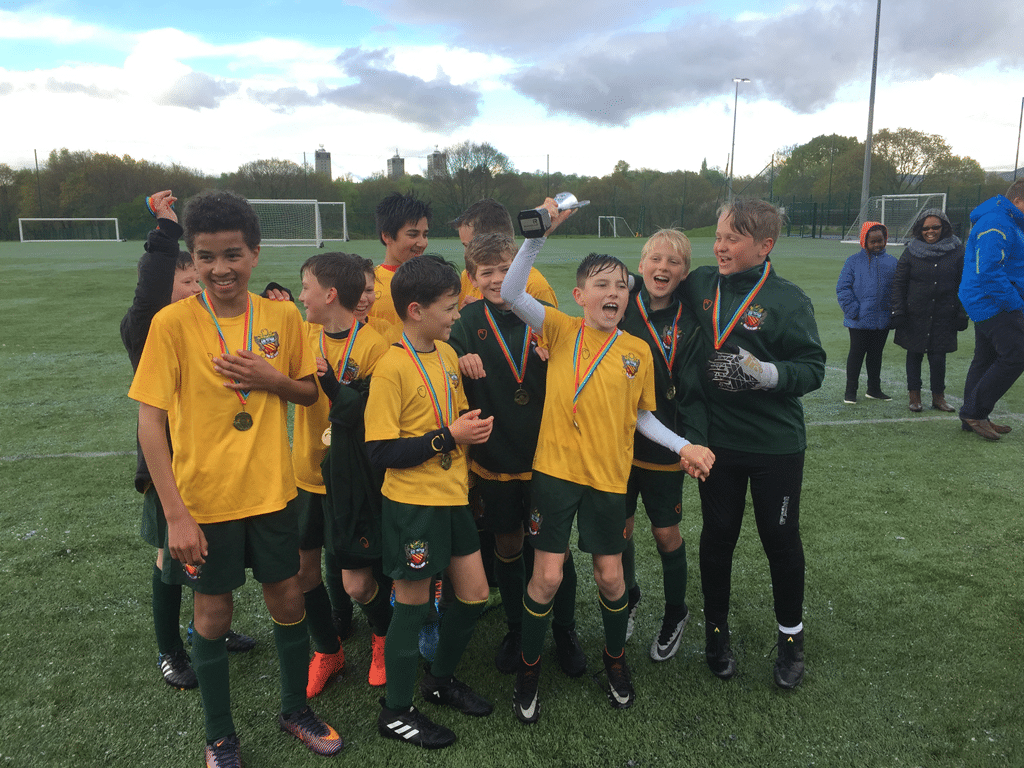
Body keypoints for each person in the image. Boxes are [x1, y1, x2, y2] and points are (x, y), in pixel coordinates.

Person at [128, 190, 344, 765]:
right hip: (205, 503)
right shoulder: (172, 324)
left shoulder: (281, 318)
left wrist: (271, 377)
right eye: (205, 257)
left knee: (288, 597)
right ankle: (220, 735)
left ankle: (295, 708)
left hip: (274, 495)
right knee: (213, 613)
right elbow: (151, 422)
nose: (220, 268)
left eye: (232, 255)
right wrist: (175, 513)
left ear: (254, 253)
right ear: (193, 259)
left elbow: (308, 391)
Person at [501, 199, 714, 724]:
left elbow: (643, 417)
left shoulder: (636, 352)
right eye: (601, 284)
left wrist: (682, 445)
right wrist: (538, 235)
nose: (613, 292)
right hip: (553, 475)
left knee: (611, 578)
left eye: (621, 285)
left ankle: (615, 660)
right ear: (579, 296)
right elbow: (509, 291)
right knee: (546, 577)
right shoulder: (558, 328)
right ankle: (530, 668)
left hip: (608, 480)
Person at [681, 198, 825, 690]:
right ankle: (716, 635)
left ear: (766, 246)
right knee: (718, 538)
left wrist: (768, 374)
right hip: (718, 444)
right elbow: (648, 295)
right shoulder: (700, 283)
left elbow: (813, 369)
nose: (720, 246)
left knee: (780, 541)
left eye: (733, 238)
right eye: (719, 236)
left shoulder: (788, 300)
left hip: (775, 445)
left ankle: (791, 640)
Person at [119, 189, 255, 691]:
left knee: (211, 562)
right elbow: (151, 290)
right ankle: (170, 650)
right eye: (187, 281)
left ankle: (209, 632)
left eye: (196, 281)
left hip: (219, 463)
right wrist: (166, 232)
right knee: (170, 557)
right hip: (169, 467)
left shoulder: (210, 321)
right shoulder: (148, 325)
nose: (196, 288)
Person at [364, 254, 496, 750]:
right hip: (412, 505)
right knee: (413, 606)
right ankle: (396, 711)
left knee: (475, 594)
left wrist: (467, 429)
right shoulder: (391, 368)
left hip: (453, 498)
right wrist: (448, 437)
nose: (457, 315)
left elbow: (454, 418)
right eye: (450, 307)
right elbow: (380, 452)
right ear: (415, 311)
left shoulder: (444, 354)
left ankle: (438, 679)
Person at [448, 231, 584, 678]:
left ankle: (564, 628)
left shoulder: (545, 318)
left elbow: (578, 368)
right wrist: (458, 359)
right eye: (486, 272)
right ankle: (514, 626)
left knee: (554, 549)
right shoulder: (465, 324)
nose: (497, 279)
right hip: (496, 456)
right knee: (507, 543)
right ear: (472, 279)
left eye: (506, 269)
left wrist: (557, 359)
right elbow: (439, 366)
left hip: (548, 458)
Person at [292, 252, 391, 696]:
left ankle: (382, 636)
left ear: (330, 295)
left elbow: (368, 416)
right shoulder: (300, 335)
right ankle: (328, 650)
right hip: (306, 473)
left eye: (306, 288)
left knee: (357, 582)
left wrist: (336, 384)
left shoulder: (375, 347)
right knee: (301, 572)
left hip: (351, 479)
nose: (300, 297)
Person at [618, 228, 708, 662]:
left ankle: (676, 611)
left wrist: (692, 443)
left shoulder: (690, 321)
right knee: (622, 530)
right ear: (641, 265)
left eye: (674, 262)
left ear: (684, 273)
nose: (663, 267)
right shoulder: (621, 308)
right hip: (616, 443)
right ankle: (630, 595)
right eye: (656, 258)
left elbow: (693, 390)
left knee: (665, 532)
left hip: (665, 443)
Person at [957, 179, 1024, 441]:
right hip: (992, 299)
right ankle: (975, 411)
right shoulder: (997, 221)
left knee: (985, 358)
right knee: (1017, 354)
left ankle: (972, 417)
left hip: (989, 297)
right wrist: (1016, 305)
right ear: (1018, 199)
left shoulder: (1006, 219)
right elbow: (988, 270)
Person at [890, 208, 967, 413]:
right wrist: (897, 311)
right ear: (919, 229)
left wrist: (962, 312)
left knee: (938, 358)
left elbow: (964, 283)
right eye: (926, 228)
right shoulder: (911, 250)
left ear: (945, 227)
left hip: (944, 314)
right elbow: (899, 283)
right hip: (914, 314)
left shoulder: (958, 250)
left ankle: (938, 398)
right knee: (914, 355)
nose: (930, 231)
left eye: (935, 227)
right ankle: (914, 397)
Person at [451, 198, 557, 307]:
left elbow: (549, 324)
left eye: (468, 246)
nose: (465, 253)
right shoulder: (468, 276)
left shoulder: (535, 287)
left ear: (495, 240)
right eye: (487, 273)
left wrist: (483, 317)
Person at [836, 222, 897, 404]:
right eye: (873, 241)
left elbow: (898, 289)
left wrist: (893, 312)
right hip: (859, 320)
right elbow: (843, 288)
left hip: (883, 319)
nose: (877, 244)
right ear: (864, 241)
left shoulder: (893, 262)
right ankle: (850, 391)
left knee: (876, 355)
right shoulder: (853, 261)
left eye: (880, 240)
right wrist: (854, 311)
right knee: (856, 354)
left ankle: (874, 389)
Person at [366, 192, 431, 341]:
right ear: (387, 236)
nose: (422, 243)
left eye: (425, 234)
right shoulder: (369, 284)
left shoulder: (433, 280)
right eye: (413, 235)